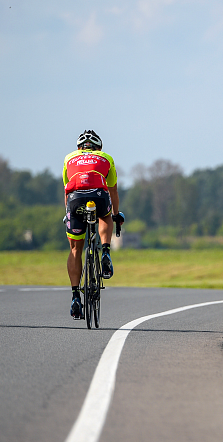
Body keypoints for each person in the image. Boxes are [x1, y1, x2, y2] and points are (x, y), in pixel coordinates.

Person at [63, 130, 123, 319]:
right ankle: (105, 251)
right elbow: (113, 191)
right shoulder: (106, 158)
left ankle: (74, 297)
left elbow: (67, 190)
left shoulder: (69, 158)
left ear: (79, 147)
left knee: (75, 249)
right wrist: (115, 216)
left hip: (75, 200)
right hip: (98, 195)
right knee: (105, 216)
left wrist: (68, 215)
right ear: (99, 147)